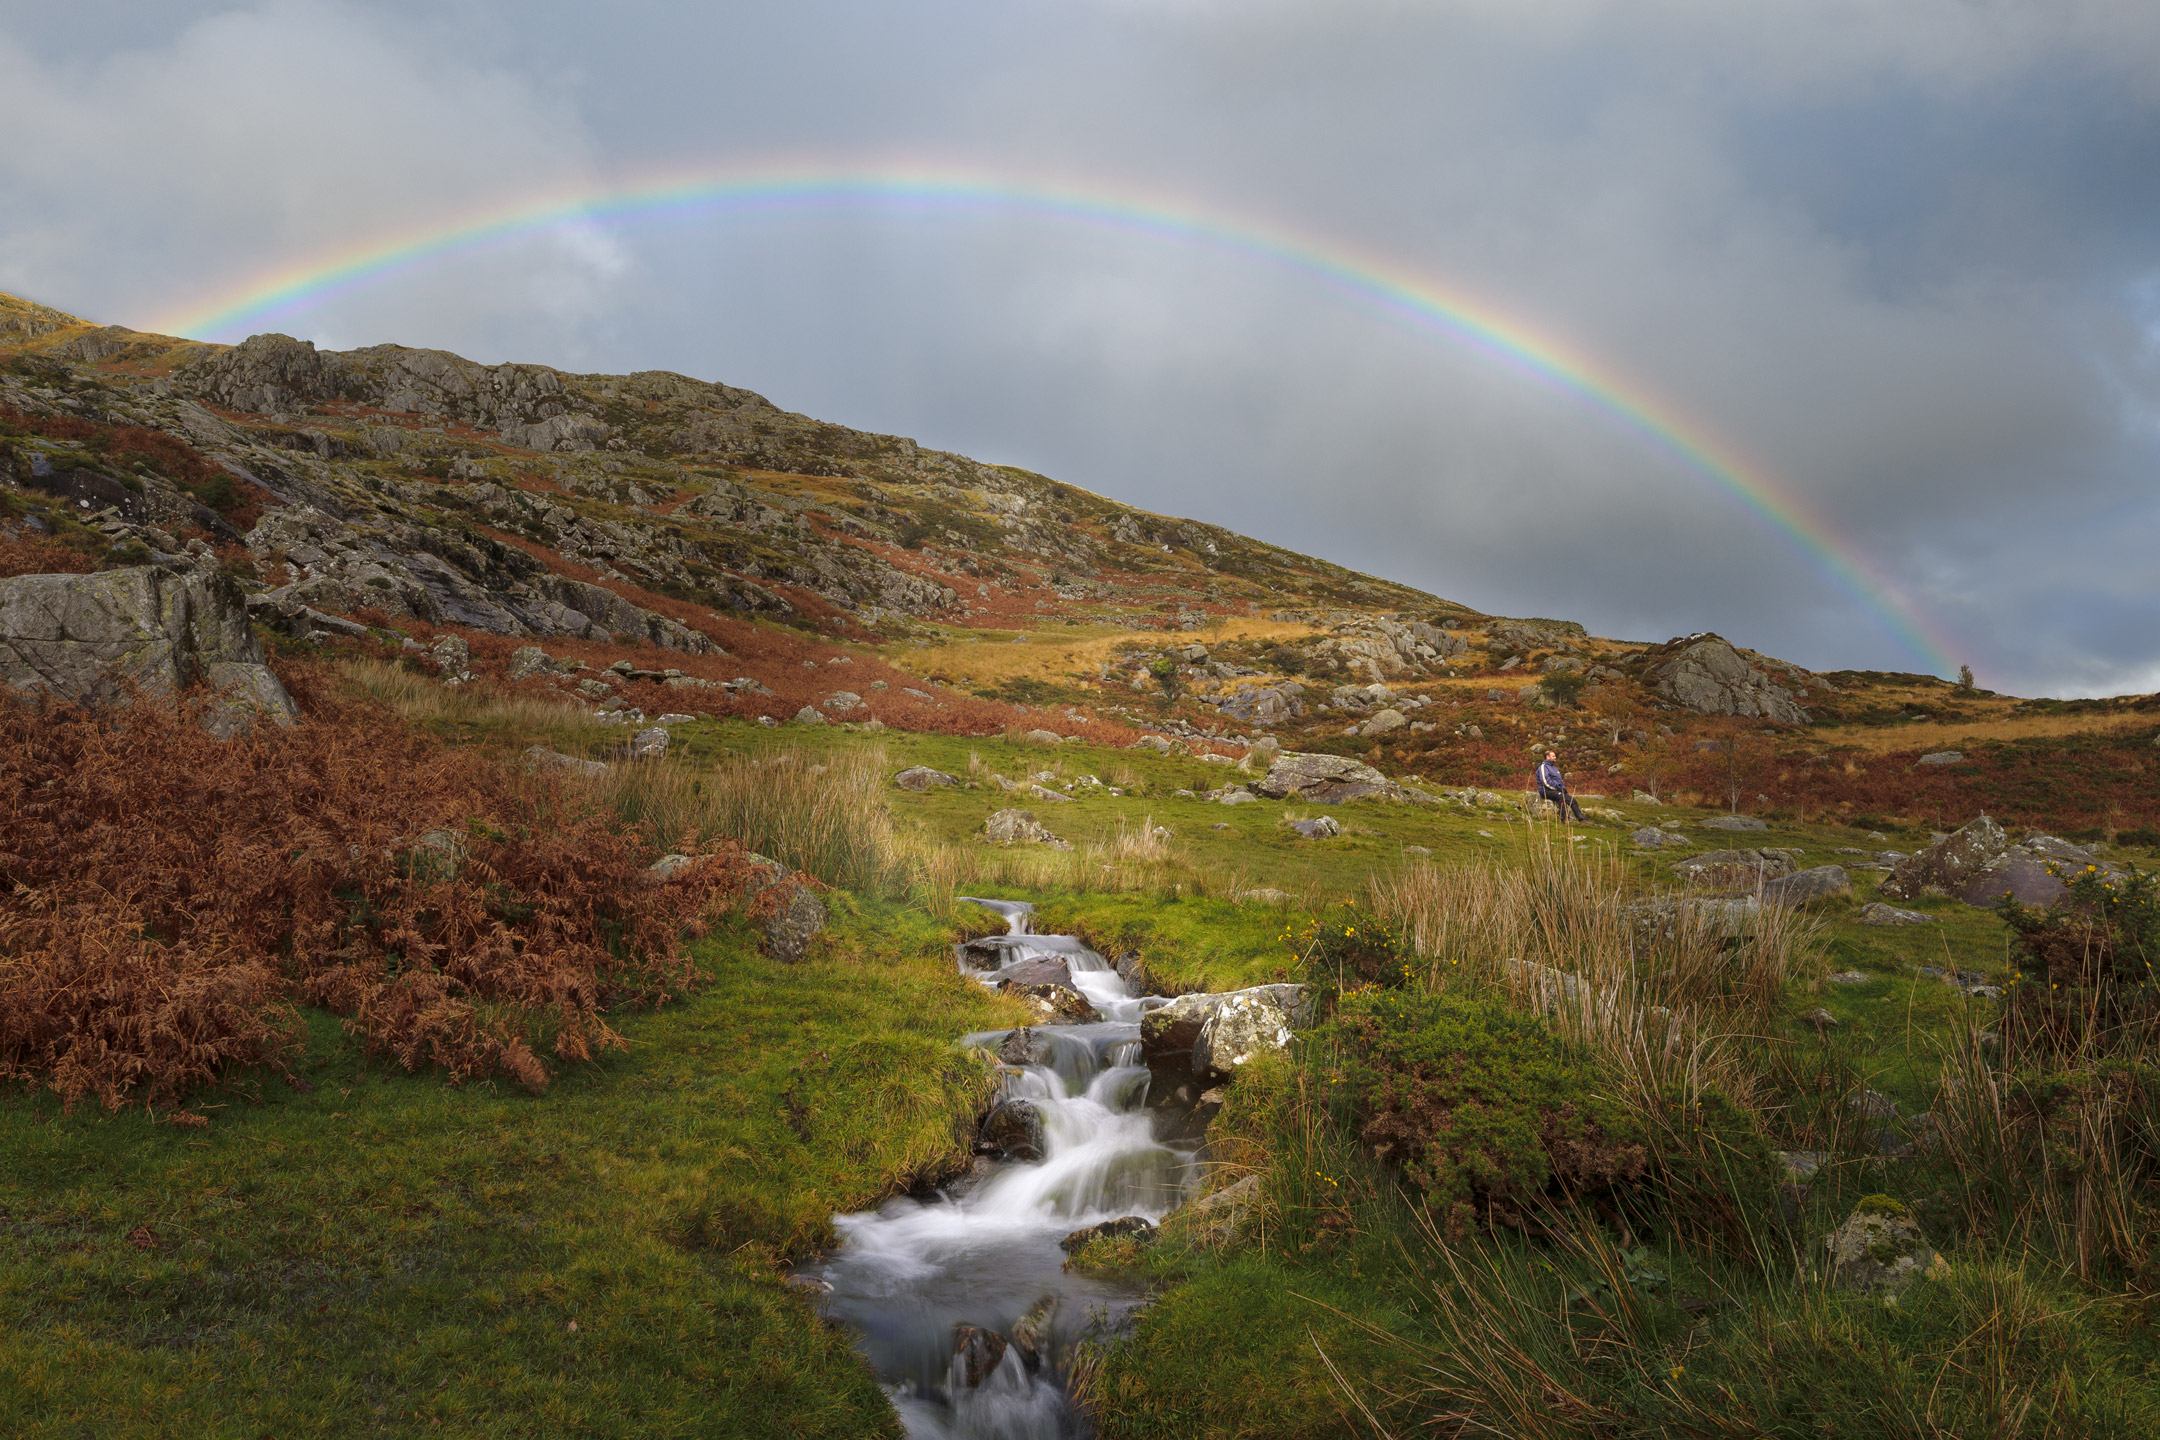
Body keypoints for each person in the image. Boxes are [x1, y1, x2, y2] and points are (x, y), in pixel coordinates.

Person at [1536, 749, 1586, 823]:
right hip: (1546, 790)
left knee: (1572, 800)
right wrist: (1557, 789)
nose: (1555, 757)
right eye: (1553, 756)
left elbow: (1560, 781)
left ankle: (1582, 819)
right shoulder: (1543, 767)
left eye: (1555, 756)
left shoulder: (1555, 768)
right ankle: (1564, 819)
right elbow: (1545, 781)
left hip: (1557, 790)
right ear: (1547, 757)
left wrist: (1563, 789)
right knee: (1561, 797)